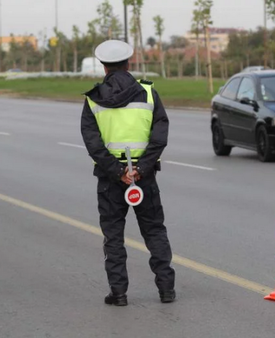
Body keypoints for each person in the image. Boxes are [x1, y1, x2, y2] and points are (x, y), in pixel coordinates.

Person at [80, 40, 175, 306]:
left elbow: (92, 142)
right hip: (144, 178)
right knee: (155, 230)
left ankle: (118, 293)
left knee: (113, 237)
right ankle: (166, 289)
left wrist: (118, 171)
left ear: (103, 66)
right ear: (128, 63)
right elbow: (160, 135)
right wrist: (141, 169)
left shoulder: (93, 99)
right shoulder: (147, 93)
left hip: (111, 181)